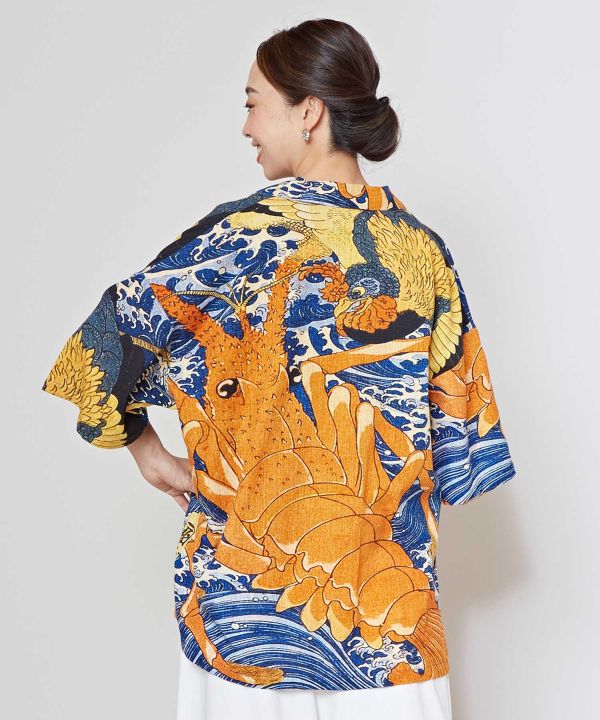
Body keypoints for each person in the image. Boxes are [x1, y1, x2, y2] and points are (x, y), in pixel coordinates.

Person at [41, 18, 517, 720]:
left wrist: (149, 454)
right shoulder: (424, 252)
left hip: (239, 630)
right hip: (392, 644)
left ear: (309, 111)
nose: (245, 126)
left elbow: (96, 351)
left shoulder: (233, 239)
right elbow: (463, 451)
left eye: (253, 103)